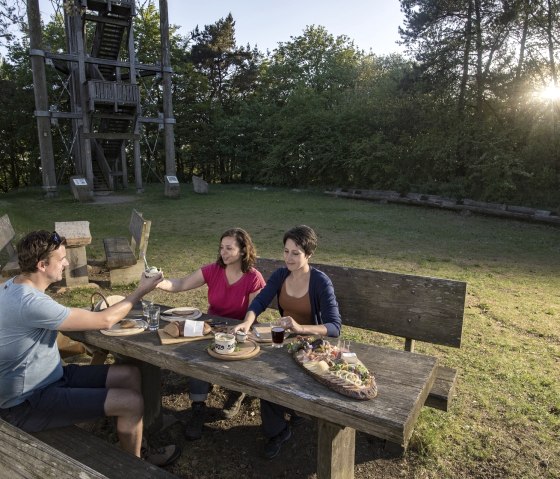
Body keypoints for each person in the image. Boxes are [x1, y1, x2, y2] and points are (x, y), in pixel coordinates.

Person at [0, 230, 180, 467]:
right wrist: (140, 291)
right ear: (42, 265)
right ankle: (135, 467)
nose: (66, 262)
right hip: (27, 403)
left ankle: (131, 436)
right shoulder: (31, 303)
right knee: (132, 402)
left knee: (130, 374)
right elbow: (104, 321)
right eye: (61, 259)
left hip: (50, 378)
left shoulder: (12, 285)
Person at [234, 225, 341, 459]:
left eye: (296, 253)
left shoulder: (321, 282)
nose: (289, 258)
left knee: (275, 375)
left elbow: (334, 327)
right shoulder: (281, 275)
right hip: (286, 342)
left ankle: (292, 413)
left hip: (313, 347)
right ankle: (279, 430)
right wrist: (247, 321)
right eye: (286, 251)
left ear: (309, 255)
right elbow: (260, 301)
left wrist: (301, 328)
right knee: (261, 372)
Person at [157, 227, 265, 440]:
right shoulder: (212, 270)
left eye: (229, 248)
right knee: (198, 355)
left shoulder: (254, 278)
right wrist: (158, 281)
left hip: (240, 330)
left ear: (243, 251)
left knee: (235, 354)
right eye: (222, 248)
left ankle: (236, 392)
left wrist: (240, 328)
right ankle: (198, 406)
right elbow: (181, 284)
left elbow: (253, 313)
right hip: (211, 327)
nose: (223, 253)